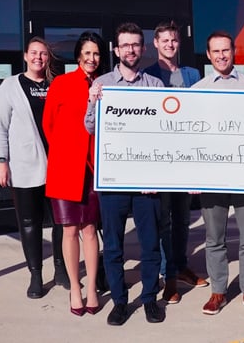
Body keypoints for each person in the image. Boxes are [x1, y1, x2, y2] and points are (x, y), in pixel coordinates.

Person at [85, 22, 166, 326]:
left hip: (146, 182)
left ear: (143, 49)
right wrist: (93, 101)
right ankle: (119, 302)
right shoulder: (103, 83)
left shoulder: (155, 86)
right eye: (125, 45)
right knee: (114, 246)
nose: (131, 50)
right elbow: (90, 128)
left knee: (149, 245)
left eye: (136, 45)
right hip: (113, 180)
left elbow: (163, 133)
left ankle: (148, 300)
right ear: (116, 50)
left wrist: (156, 178)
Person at [0, 37, 69, 299]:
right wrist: (1, 160)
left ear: (48, 58)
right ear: (25, 56)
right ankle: (36, 274)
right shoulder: (10, 86)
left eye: (43, 54)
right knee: (29, 222)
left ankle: (61, 269)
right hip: (24, 167)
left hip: (57, 165)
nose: (38, 58)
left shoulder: (55, 84)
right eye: (34, 53)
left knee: (61, 221)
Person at [192, 31, 244, 316]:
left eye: (226, 50)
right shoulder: (197, 90)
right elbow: (191, 136)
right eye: (216, 51)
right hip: (212, 174)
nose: (222, 56)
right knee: (214, 238)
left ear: (233, 52)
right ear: (208, 55)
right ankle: (218, 291)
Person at [43, 31, 108, 317]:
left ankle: (92, 286)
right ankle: (75, 287)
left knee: (91, 229)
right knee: (69, 230)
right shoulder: (62, 83)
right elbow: (49, 125)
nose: (92, 58)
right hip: (65, 167)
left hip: (93, 167)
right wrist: (67, 151)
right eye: (88, 53)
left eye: (96, 54)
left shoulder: (105, 85)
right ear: (78, 54)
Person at [144, 20, 208, 304]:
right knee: (164, 219)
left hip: (187, 156)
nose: (170, 45)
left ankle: (181, 266)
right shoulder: (148, 75)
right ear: (155, 44)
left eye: (174, 40)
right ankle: (165, 273)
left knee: (183, 217)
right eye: (165, 41)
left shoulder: (193, 74)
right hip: (161, 157)